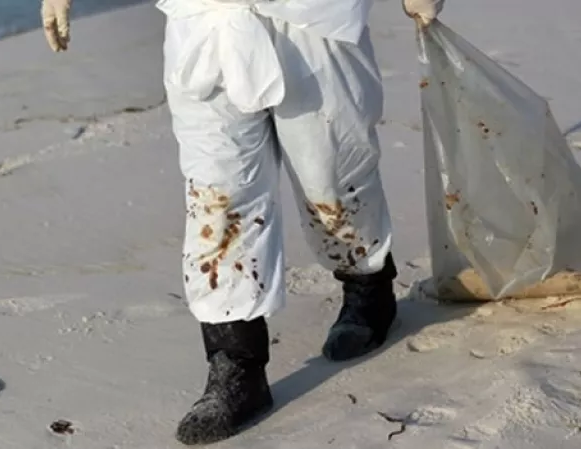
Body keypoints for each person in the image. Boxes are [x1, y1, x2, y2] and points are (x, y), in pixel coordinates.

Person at [40, 0, 445, 445]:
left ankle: (367, 287)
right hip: (203, 20)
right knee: (217, 197)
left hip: (311, 19)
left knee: (332, 176)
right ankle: (235, 366)